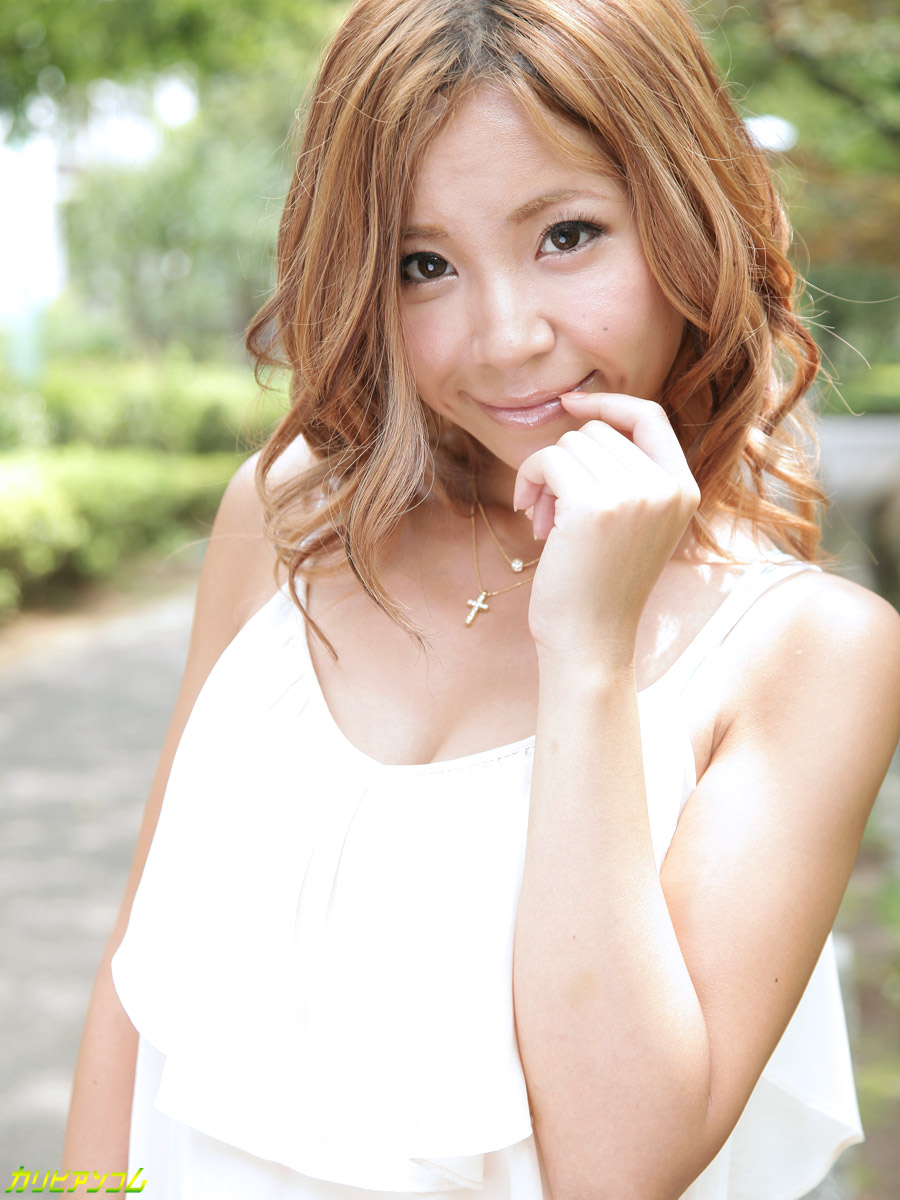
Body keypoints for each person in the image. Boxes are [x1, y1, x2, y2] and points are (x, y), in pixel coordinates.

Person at [64, 0, 900, 1196]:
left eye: (567, 234)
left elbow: (619, 1166)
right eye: (426, 265)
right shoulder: (290, 522)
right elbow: (135, 983)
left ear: (690, 217)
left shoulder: (806, 652)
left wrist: (589, 653)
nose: (506, 338)